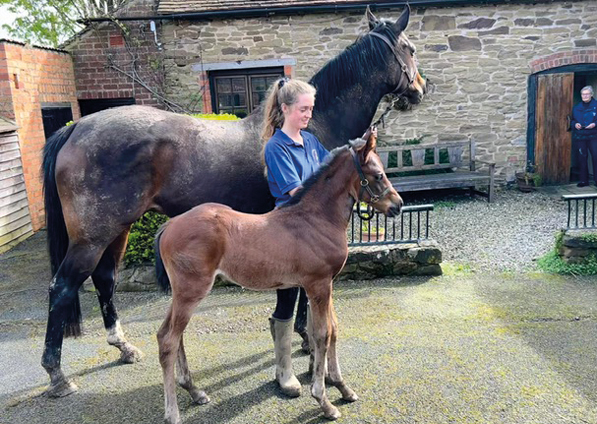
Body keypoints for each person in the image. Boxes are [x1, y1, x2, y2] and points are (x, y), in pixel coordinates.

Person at [261, 77, 329, 398]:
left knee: (314, 295)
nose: (308, 115)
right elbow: (298, 193)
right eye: (303, 109)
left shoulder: (311, 142)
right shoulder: (276, 147)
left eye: (311, 109)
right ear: (285, 108)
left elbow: (334, 168)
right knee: (287, 297)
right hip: (288, 232)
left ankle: (317, 356)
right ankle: (283, 369)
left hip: (313, 232)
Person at [571, 85, 597, 187]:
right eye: (583, 94)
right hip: (581, 136)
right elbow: (572, 120)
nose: (585, 96)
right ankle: (583, 180)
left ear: (591, 95)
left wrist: (595, 124)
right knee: (582, 158)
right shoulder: (577, 107)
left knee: (596, 157)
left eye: (587, 94)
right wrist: (575, 124)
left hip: (594, 135)